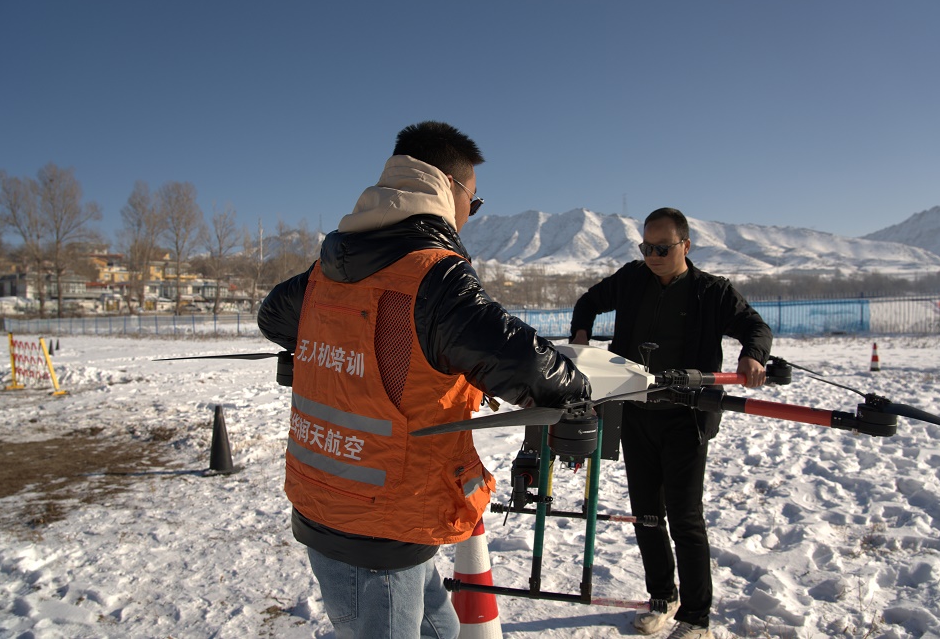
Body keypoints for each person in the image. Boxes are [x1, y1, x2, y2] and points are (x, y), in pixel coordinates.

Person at [257, 120, 591, 639]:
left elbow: (274, 317)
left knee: (442, 629)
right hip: (385, 521)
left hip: (322, 496)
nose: (470, 217)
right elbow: (525, 366)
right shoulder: (433, 274)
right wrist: (576, 388)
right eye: (474, 205)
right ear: (450, 191)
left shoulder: (329, 269)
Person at [570, 207, 772, 639]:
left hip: (687, 419)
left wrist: (752, 354)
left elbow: (754, 326)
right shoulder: (631, 279)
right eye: (646, 247)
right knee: (646, 514)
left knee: (684, 517)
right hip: (636, 412)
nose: (653, 255)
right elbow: (588, 302)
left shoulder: (711, 292)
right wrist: (581, 336)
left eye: (662, 248)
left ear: (685, 246)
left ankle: (697, 616)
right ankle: (662, 596)